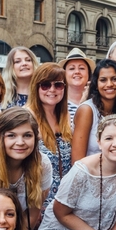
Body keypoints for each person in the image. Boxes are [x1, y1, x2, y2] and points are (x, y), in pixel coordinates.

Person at [28, 63, 74, 210]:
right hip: (38, 201)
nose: (52, 90)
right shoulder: (27, 116)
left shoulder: (66, 116)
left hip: (65, 201)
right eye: (45, 85)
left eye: (58, 85)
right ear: (36, 87)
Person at [72, 59, 116, 161]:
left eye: (114, 79)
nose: (109, 84)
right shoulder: (87, 110)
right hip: (91, 170)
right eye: (103, 80)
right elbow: (77, 161)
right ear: (96, 85)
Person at [59, 48, 94, 122]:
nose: (77, 72)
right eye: (72, 68)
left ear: (88, 73)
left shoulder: (97, 102)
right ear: (64, 74)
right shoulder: (57, 102)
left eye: (81, 68)